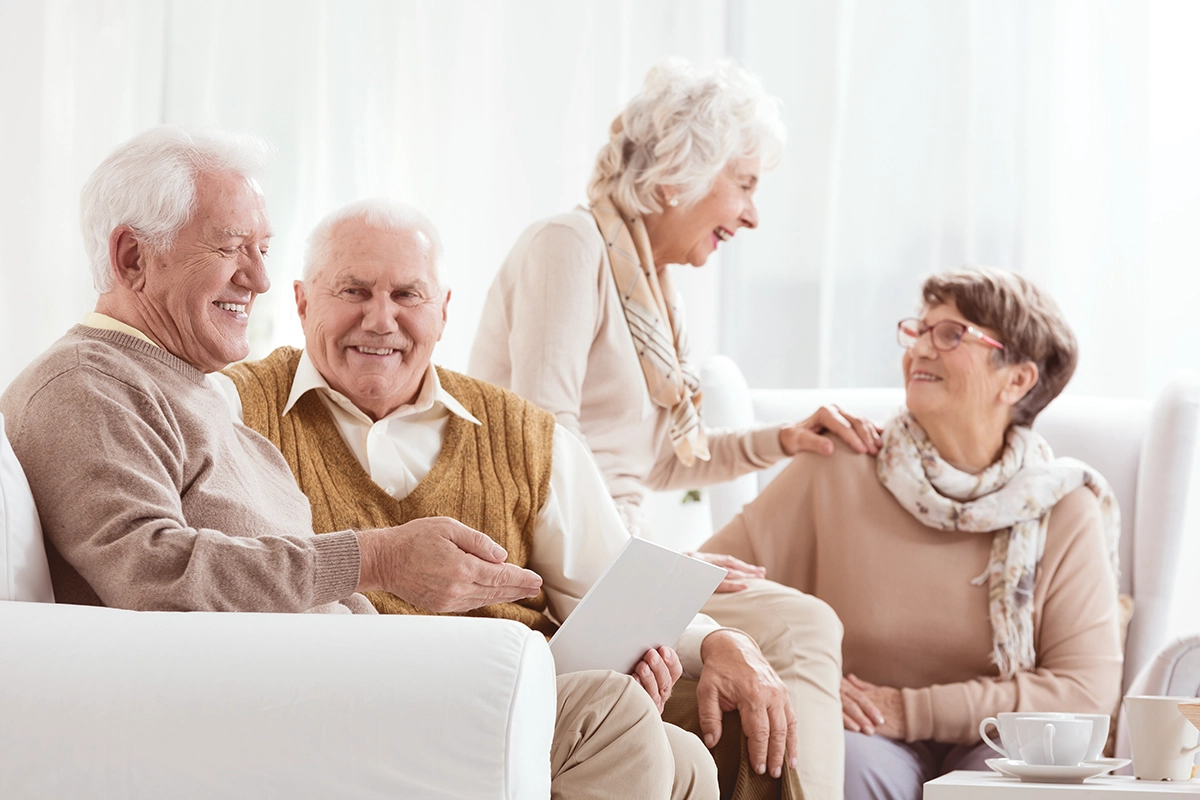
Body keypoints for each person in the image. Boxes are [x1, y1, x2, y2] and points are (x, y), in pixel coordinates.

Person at [0, 125, 717, 800]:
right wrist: (377, 558)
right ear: (132, 258)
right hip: (297, 715)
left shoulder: (184, 386)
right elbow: (150, 572)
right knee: (611, 716)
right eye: (231, 248)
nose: (258, 277)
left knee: (678, 752)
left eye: (262, 248)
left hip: (347, 682)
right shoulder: (84, 386)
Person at [214, 197, 806, 799]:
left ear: (444, 311)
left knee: (697, 746)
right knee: (641, 729)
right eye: (354, 291)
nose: (381, 320)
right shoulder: (232, 408)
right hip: (354, 710)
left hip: (517, 704)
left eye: (407, 296)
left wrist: (717, 641)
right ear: (302, 301)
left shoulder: (524, 434)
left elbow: (608, 583)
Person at [469, 57, 869, 800]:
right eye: (744, 184)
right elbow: (545, 451)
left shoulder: (651, 289)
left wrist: (783, 439)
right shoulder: (569, 246)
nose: (752, 215)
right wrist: (654, 565)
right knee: (800, 626)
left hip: (617, 558)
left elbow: (658, 459)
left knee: (791, 634)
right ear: (679, 174)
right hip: (568, 575)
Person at [700, 267, 1124, 800]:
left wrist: (910, 710)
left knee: (1014, 781)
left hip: (1002, 740)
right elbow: (701, 585)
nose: (920, 348)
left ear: (1017, 379)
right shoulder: (836, 466)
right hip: (859, 734)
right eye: (918, 330)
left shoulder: (1064, 507)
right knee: (842, 764)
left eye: (950, 334)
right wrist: (803, 682)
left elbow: (1083, 692)